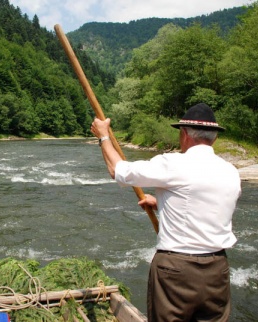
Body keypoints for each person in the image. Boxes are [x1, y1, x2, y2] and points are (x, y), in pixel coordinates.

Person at [91, 103, 241, 322]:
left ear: (185, 135)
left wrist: (104, 136)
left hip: (176, 270)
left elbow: (118, 170)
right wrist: (162, 203)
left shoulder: (173, 163)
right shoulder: (230, 171)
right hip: (217, 270)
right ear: (214, 138)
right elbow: (208, 207)